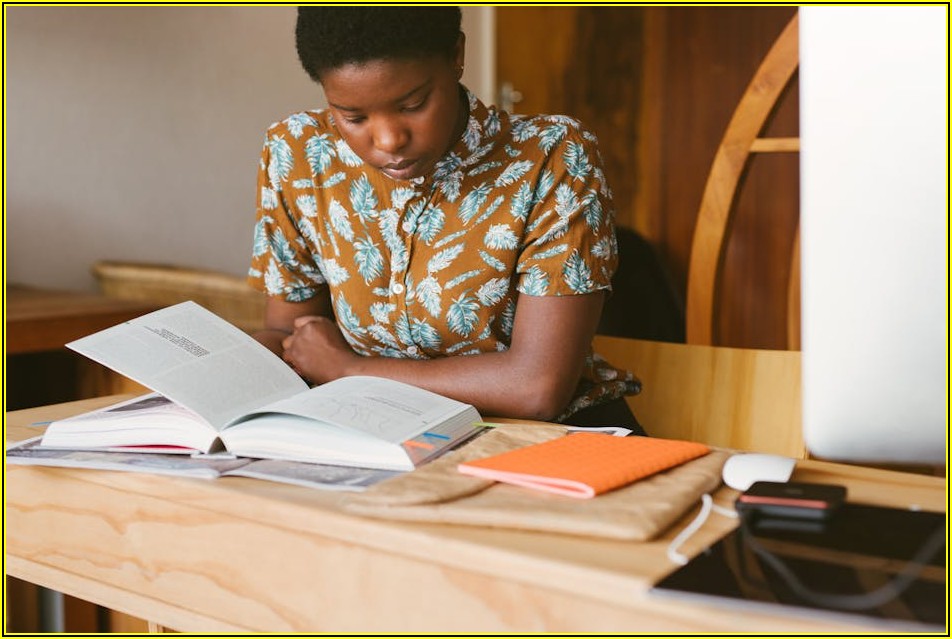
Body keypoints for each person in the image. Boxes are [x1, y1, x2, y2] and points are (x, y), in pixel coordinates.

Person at [247, 6, 643, 432]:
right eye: (353, 117)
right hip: (379, 434)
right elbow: (297, 339)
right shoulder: (299, 154)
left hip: (550, 440)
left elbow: (537, 388)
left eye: (413, 104)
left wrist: (350, 370)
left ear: (457, 55)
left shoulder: (551, 156)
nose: (388, 141)